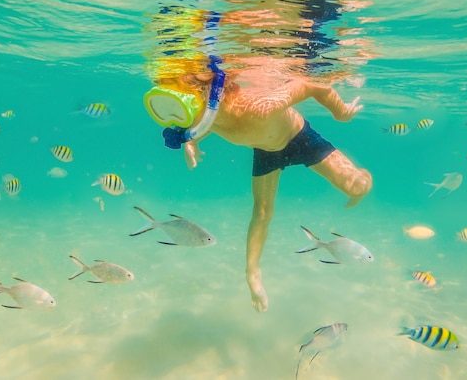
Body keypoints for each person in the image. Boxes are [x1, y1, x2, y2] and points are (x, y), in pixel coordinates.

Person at [144, 59, 372, 312]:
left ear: (205, 94)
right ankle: (252, 274)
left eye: (179, 102)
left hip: (299, 138)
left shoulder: (259, 106)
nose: (177, 115)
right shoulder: (208, 116)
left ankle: (360, 176)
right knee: (262, 212)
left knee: (357, 187)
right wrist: (192, 141)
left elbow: (309, 84)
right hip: (266, 150)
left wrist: (340, 112)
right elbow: (204, 123)